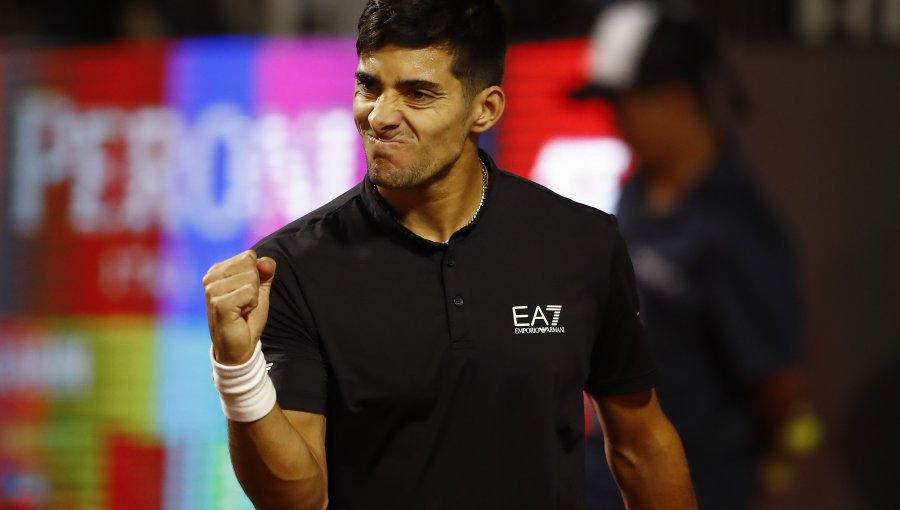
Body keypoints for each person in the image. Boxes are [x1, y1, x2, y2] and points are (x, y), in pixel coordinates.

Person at [203, 1, 697, 508]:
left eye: (417, 94)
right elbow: (298, 501)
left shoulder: (582, 242)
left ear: (485, 109)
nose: (380, 116)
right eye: (369, 86)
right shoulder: (289, 269)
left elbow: (642, 449)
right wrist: (237, 369)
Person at [571, 2, 808, 509]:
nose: (616, 124)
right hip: (606, 480)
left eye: (622, 105)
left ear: (674, 99)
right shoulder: (636, 193)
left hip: (692, 488)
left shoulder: (737, 227)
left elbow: (777, 389)